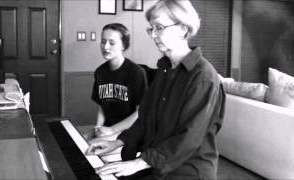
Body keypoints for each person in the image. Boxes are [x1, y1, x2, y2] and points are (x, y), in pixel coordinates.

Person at [86, 1, 225, 179]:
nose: (153, 35)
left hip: (187, 171)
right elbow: (145, 119)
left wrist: (139, 163)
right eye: (151, 29)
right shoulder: (165, 69)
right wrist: (118, 142)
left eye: (159, 27)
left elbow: (188, 138)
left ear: (183, 29)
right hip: (157, 164)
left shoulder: (203, 78)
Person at [89, 23, 147, 141]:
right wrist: (99, 126)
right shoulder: (100, 72)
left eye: (112, 43)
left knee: (90, 147)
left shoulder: (136, 72)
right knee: (80, 140)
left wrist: (112, 130)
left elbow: (140, 113)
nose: (105, 47)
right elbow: (101, 106)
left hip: (131, 130)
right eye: (103, 41)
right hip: (108, 128)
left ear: (123, 45)